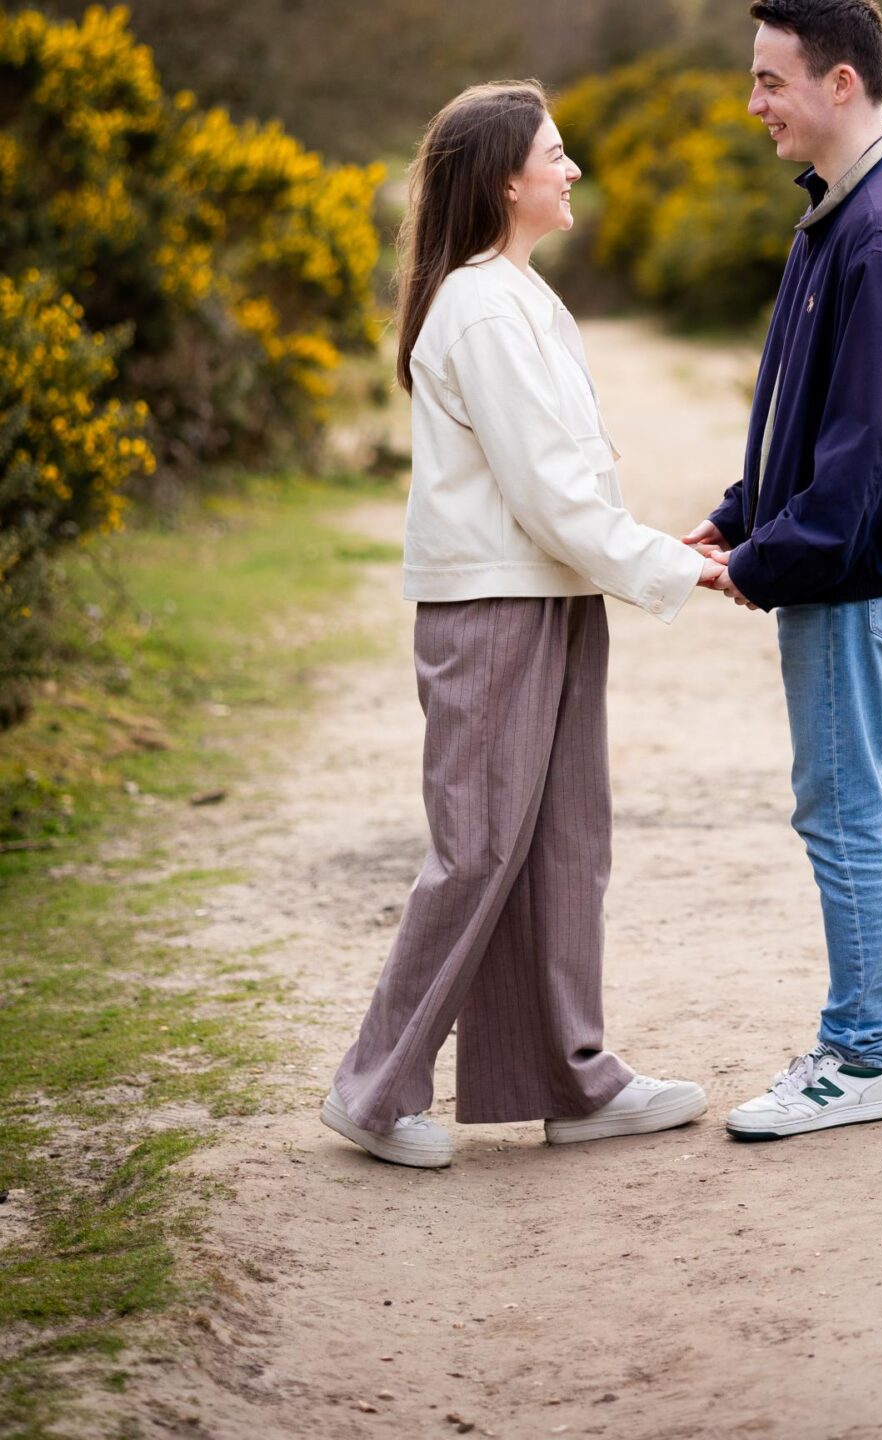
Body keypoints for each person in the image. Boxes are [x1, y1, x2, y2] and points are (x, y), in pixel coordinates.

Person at [322, 81, 719, 1168]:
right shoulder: (482, 308)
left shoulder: (522, 298)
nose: (572, 167)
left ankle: (570, 1081)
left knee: (560, 842)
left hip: (548, 593)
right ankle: (370, 1092)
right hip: (491, 605)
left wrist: (649, 555)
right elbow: (549, 491)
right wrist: (670, 567)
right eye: (556, 151)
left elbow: (560, 486)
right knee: (479, 847)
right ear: (505, 178)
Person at [686, 0, 882, 1141]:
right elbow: (819, 417)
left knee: (843, 801)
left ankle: (856, 1053)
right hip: (851, 564)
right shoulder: (847, 208)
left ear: (838, 82)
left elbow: (867, 451)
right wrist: (742, 509)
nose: (752, 100)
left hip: (850, 575)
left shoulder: (881, 229)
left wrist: (771, 559)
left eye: (770, 78)